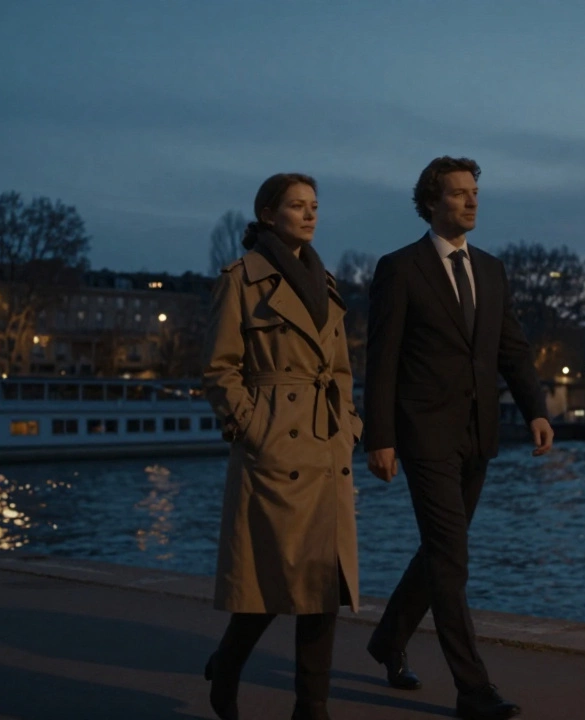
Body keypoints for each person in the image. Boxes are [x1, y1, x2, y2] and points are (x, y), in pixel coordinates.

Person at [363, 156, 554, 720]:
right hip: (423, 435)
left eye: (475, 192)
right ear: (430, 202)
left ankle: (387, 639)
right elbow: (383, 359)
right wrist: (380, 436)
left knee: (441, 553)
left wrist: (536, 410)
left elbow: (511, 348)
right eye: (458, 194)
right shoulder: (399, 269)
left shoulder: (491, 270)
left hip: (479, 434)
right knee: (452, 557)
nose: (471, 202)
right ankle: (473, 690)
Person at [202, 172, 363, 720]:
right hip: (275, 445)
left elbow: (339, 368)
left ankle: (310, 708)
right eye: (297, 206)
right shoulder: (241, 279)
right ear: (268, 214)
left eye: (315, 205)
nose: (310, 214)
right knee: (271, 581)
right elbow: (219, 369)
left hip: (325, 447)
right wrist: (251, 425)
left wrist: (350, 426)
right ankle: (227, 664)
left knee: (324, 584)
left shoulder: (330, 282)